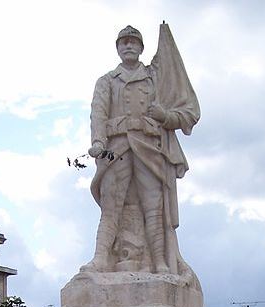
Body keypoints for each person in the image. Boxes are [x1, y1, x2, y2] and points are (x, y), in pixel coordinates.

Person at [85, 24, 200, 276]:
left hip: (149, 147)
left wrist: (165, 116)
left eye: (133, 42)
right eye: (123, 42)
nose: (128, 46)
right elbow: (98, 113)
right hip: (117, 147)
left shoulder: (155, 79)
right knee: (111, 205)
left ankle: (160, 262)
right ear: (117, 48)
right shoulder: (106, 81)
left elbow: (182, 112)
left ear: (140, 48)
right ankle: (101, 259)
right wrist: (98, 142)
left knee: (154, 206)